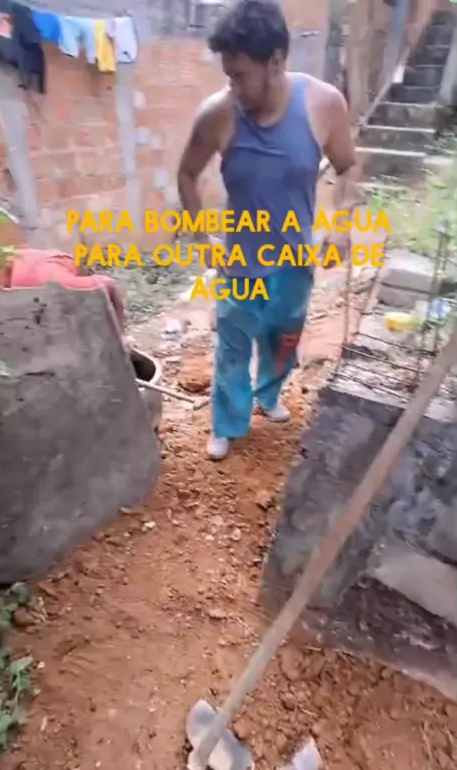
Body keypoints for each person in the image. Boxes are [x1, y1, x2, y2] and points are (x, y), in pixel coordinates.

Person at [177, 0, 359, 460]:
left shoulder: (323, 104)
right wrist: (201, 237)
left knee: (283, 339)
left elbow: (347, 167)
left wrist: (341, 224)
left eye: (240, 75)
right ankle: (227, 422)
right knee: (233, 345)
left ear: (276, 61)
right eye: (228, 76)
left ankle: (269, 394)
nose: (232, 87)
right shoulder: (218, 114)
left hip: (296, 259)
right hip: (241, 260)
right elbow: (187, 174)